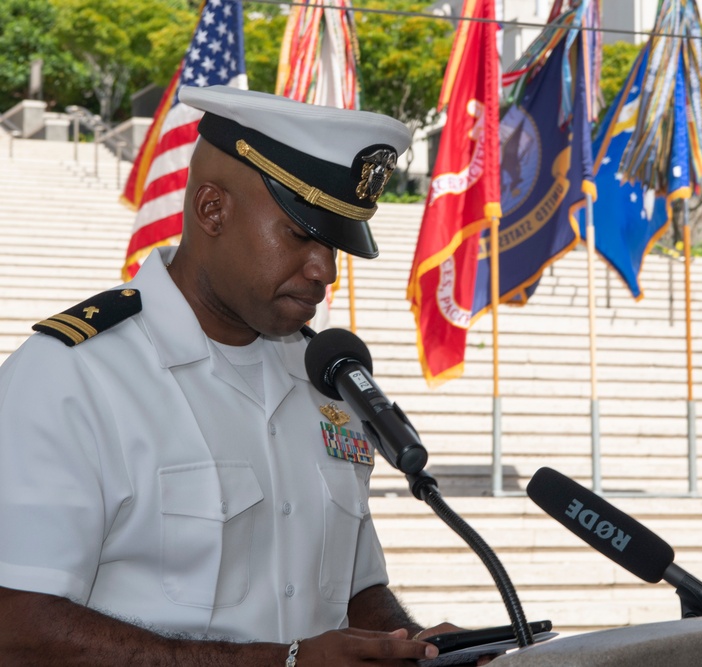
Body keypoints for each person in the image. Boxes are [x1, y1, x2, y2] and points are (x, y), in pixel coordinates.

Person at [0, 86, 453, 665]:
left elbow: (354, 589)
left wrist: (410, 645)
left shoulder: (325, 380)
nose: (324, 270)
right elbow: (17, 625)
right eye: (300, 234)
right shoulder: (73, 376)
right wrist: (280, 662)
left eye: (335, 244)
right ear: (211, 209)